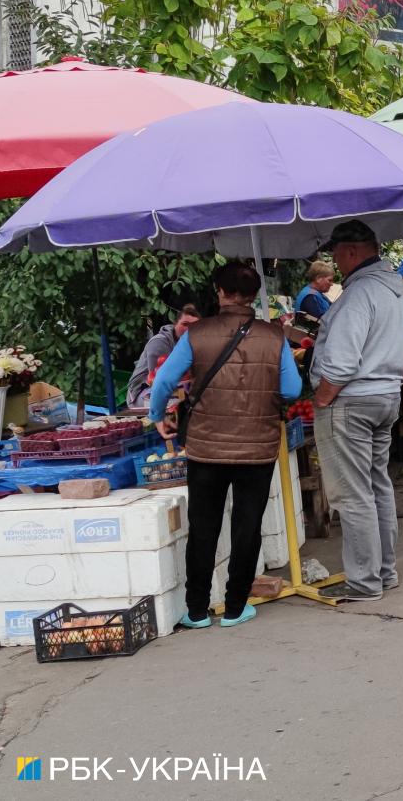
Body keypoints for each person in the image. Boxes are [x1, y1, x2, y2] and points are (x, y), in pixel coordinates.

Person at [150, 262, 301, 628]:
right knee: (247, 526)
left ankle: (197, 611)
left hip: (206, 449)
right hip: (258, 446)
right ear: (253, 294)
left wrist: (158, 415)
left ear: (219, 291)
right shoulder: (275, 336)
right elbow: (293, 390)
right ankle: (235, 607)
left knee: (204, 527)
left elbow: (163, 382)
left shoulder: (197, 333)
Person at [310, 220, 403, 602]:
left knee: (353, 495)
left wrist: (322, 398)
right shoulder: (392, 287)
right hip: (384, 396)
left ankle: (365, 581)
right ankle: (384, 572)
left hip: (352, 401)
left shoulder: (358, 295)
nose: (334, 262)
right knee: (376, 486)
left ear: (352, 251)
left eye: (336, 254)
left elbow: (340, 363)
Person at [126, 304, 202, 410]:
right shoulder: (160, 343)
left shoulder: (193, 343)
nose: (189, 329)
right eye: (185, 324)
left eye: (194, 326)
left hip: (175, 389)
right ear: (175, 324)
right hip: (142, 393)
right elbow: (158, 381)